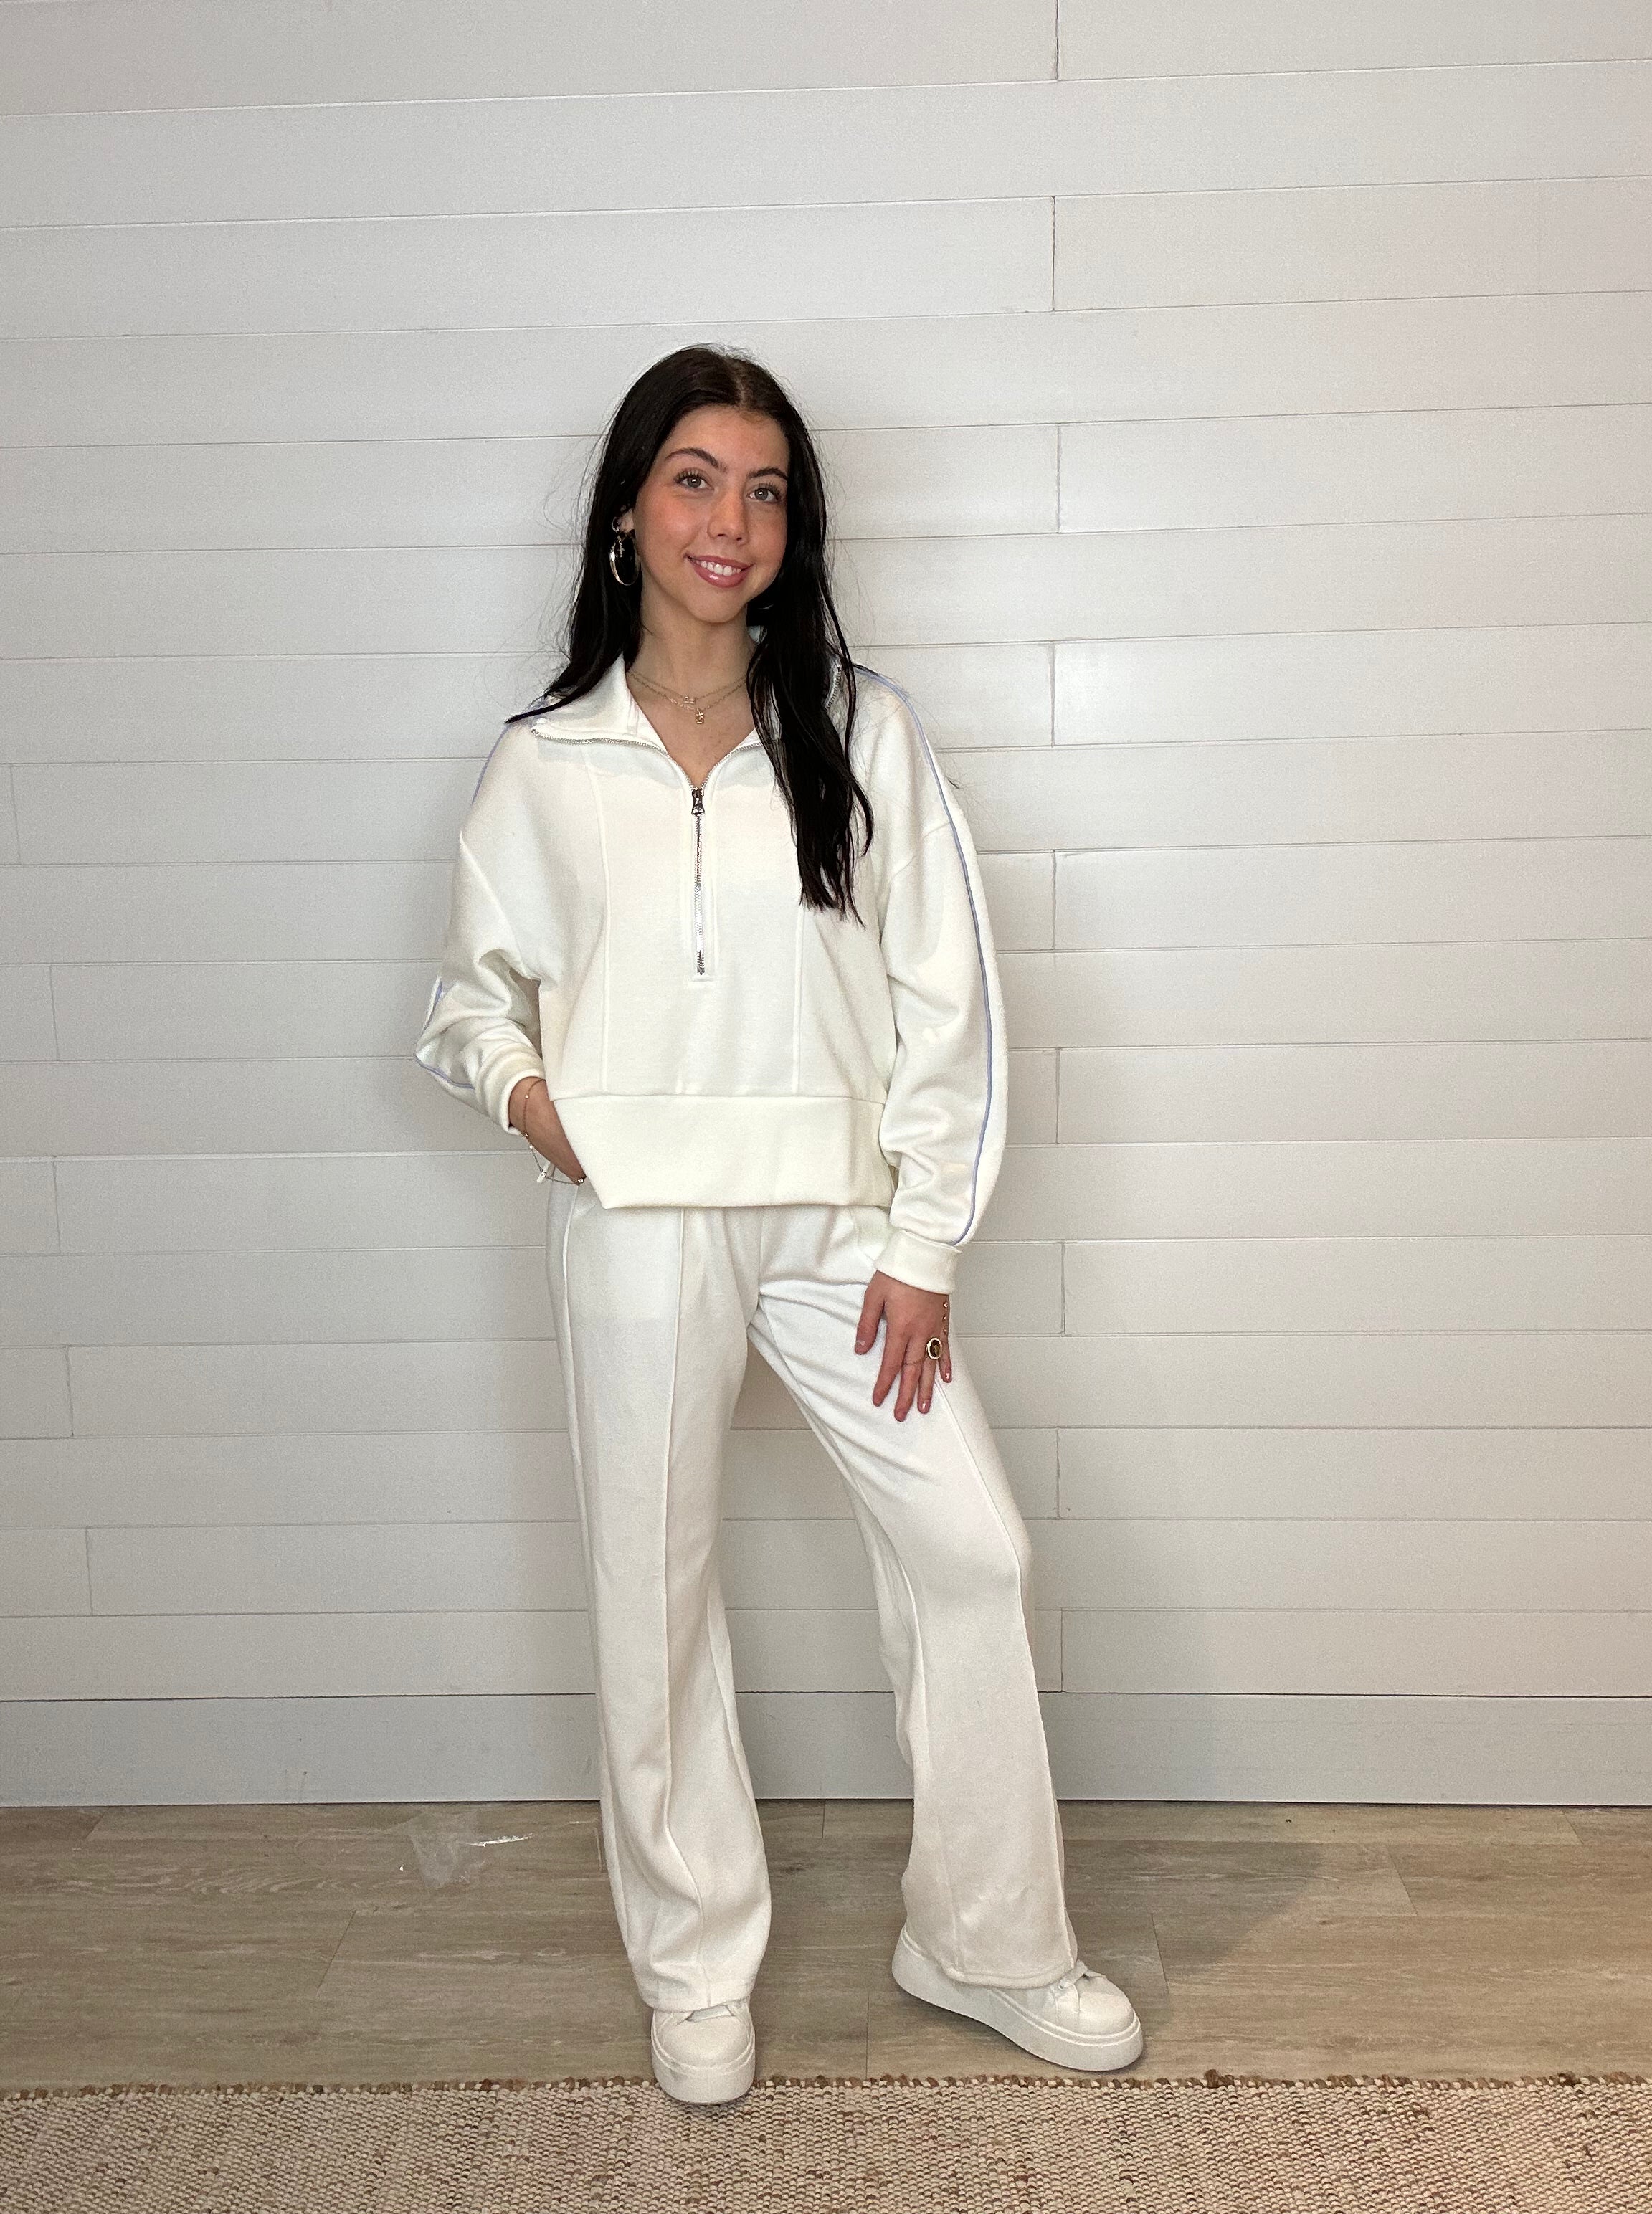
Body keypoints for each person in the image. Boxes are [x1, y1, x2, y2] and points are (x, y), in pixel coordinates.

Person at [413, 344, 1143, 2106]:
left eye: (764, 488)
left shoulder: (861, 729)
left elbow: (948, 997)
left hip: (840, 1227)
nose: (728, 518)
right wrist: (545, 1112)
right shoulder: (546, 760)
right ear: (626, 508)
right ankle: (695, 1965)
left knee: (973, 1549)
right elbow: (466, 1001)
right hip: (638, 1223)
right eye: (693, 478)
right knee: (651, 1597)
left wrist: (924, 1239)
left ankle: (985, 1938)